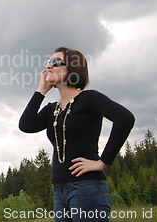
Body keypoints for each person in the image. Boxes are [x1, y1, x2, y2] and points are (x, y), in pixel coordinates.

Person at [19, 46, 135, 222]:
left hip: (87, 188)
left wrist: (102, 162)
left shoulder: (89, 99)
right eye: (48, 62)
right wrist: (41, 91)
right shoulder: (52, 109)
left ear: (73, 68)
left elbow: (125, 118)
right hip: (60, 191)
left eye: (56, 62)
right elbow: (26, 125)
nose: (49, 66)